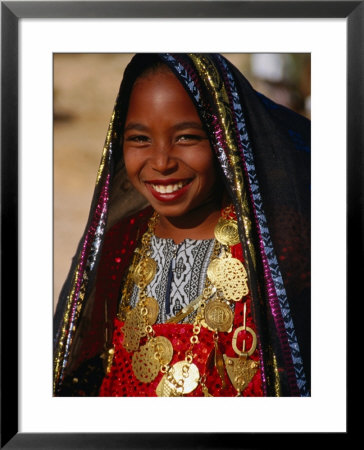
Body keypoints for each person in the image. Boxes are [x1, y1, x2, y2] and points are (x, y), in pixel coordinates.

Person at [53, 53, 310, 397]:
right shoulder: (120, 242)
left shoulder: (274, 244)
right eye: (140, 139)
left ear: (224, 140)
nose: (161, 162)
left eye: (187, 137)